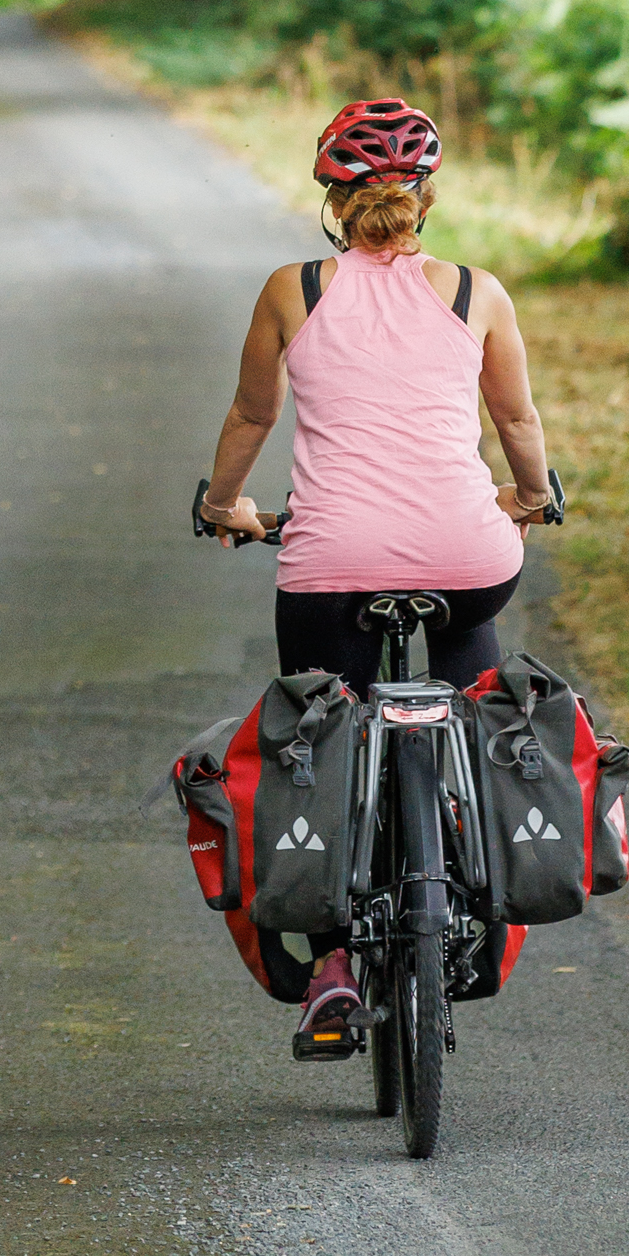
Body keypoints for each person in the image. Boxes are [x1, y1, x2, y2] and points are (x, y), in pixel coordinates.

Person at [192, 91, 555, 1067]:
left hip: (330, 564)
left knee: (317, 736)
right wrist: (529, 496)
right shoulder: (478, 292)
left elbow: (250, 416)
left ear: (330, 200)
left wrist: (225, 504)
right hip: (470, 560)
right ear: (426, 196)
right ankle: (478, 870)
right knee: (476, 699)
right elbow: (517, 423)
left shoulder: (293, 290)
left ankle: (333, 963)